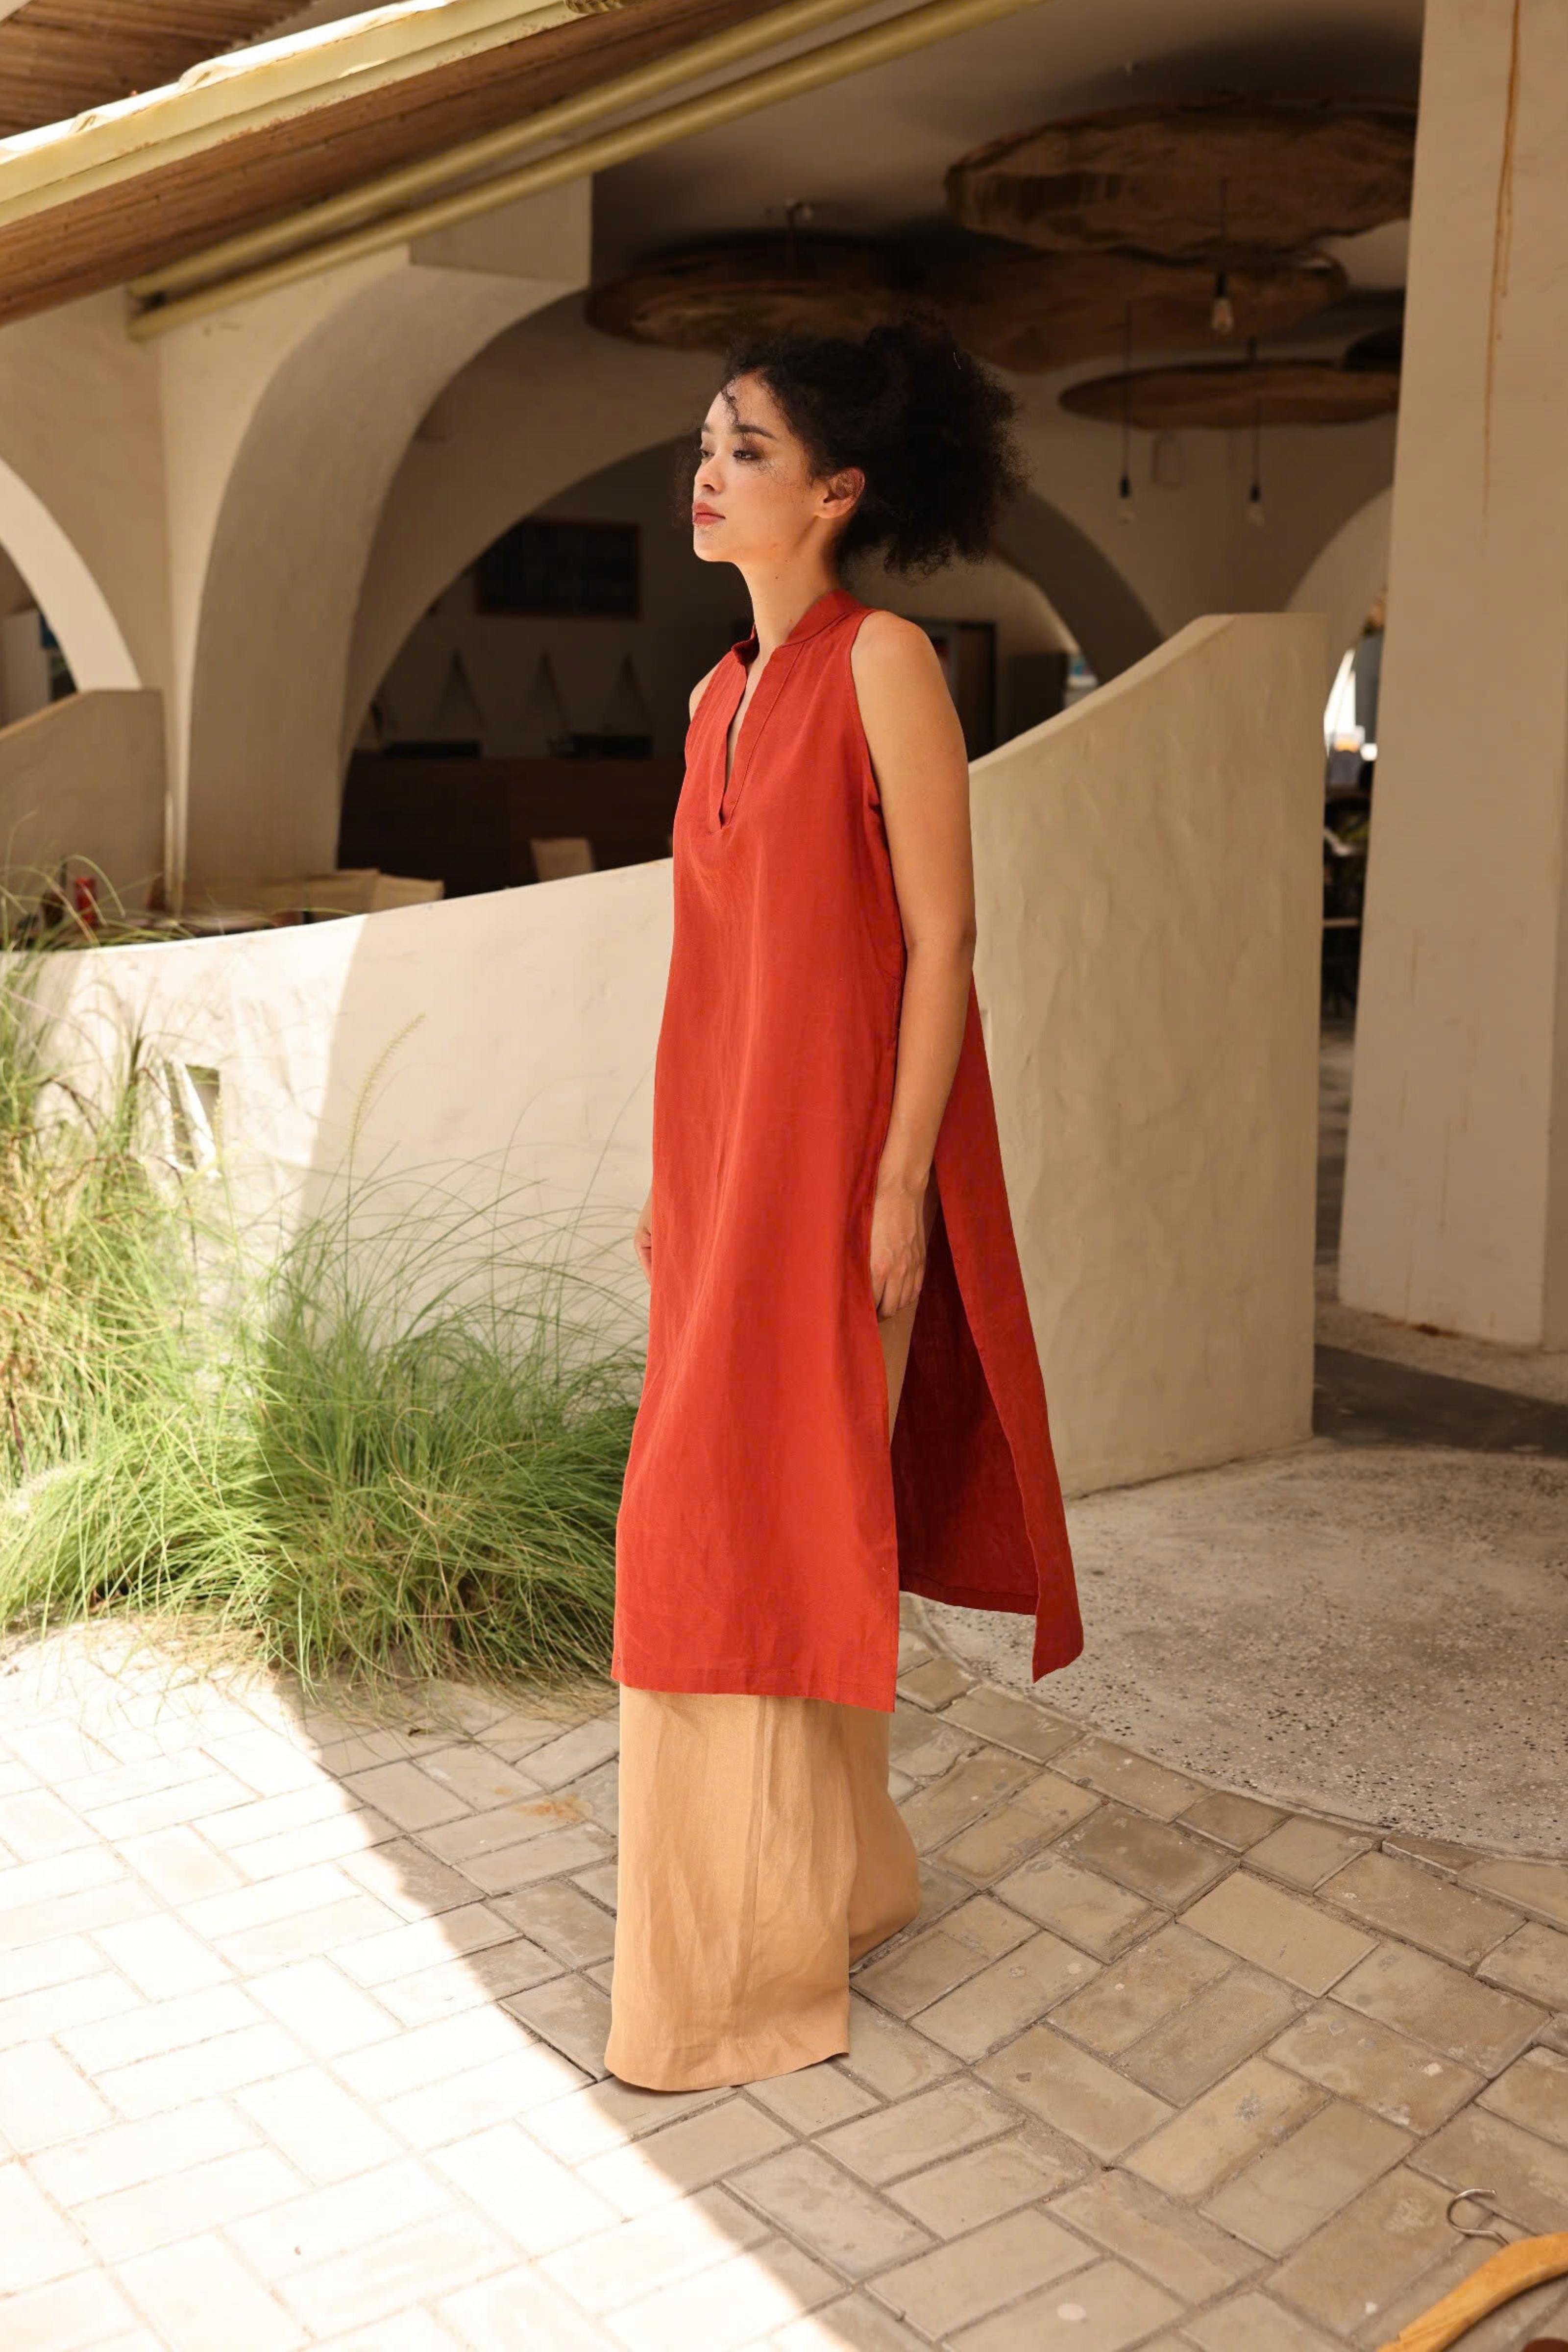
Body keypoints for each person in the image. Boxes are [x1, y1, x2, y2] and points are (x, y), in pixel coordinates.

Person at [607, 320, 1083, 2093]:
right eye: (707, 443)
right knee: (711, 1531)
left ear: (838, 489)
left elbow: (946, 941)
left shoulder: (885, 664)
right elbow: (707, 975)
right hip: (718, 1190)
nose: (708, 470)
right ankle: (843, 1883)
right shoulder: (713, 699)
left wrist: (897, 1192)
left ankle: (734, 1981)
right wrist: (671, 1187)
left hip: (835, 1197)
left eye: (742, 446)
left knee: (764, 1537)